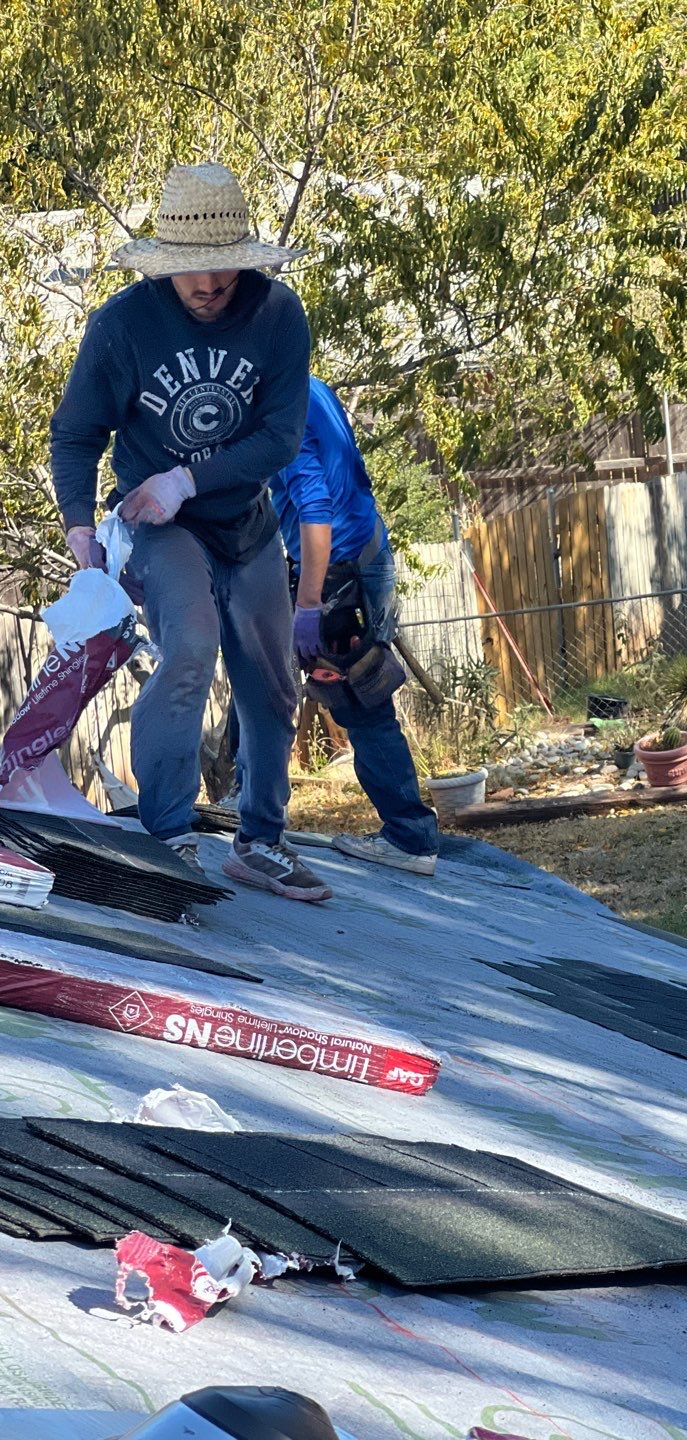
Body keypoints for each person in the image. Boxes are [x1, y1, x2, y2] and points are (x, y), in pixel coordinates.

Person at [50, 163, 331, 903]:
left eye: (224, 266)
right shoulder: (122, 327)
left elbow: (279, 438)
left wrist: (186, 478)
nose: (209, 283)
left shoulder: (278, 316)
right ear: (163, 262)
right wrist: (80, 530)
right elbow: (75, 435)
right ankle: (167, 835)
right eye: (192, 269)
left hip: (246, 523)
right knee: (190, 648)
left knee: (272, 683)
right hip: (159, 527)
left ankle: (261, 843)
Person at [269, 376, 439, 874]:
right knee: (362, 694)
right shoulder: (308, 383)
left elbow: (315, 508)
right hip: (365, 550)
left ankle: (409, 837)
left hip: (337, 570)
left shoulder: (279, 406)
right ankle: (408, 832)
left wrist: (309, 604)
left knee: (362, 702)